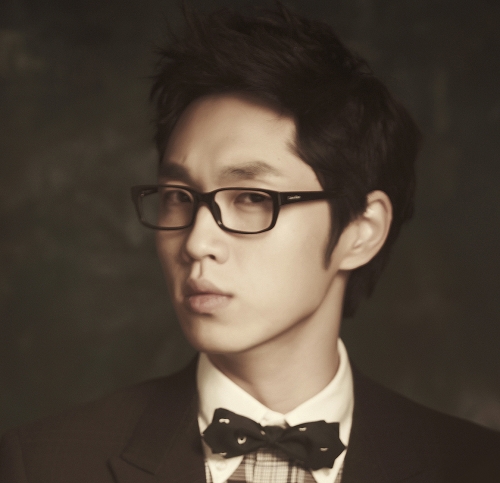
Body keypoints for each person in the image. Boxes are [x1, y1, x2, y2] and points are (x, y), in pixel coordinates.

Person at [1, 4, 499, 482]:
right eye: (178, 197)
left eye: (252, 198)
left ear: (360, 231)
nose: (197, 241)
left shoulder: (475, 467)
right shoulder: (40, 465)